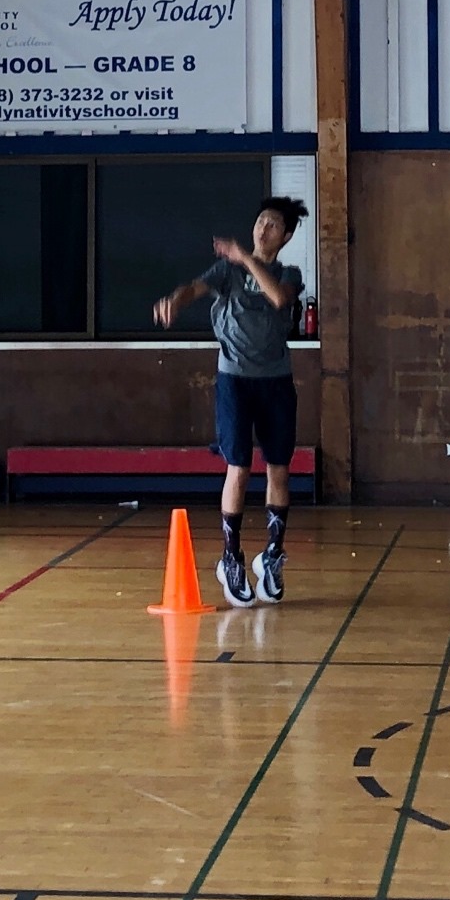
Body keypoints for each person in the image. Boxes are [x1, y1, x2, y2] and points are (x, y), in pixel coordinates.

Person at [153, 196, 307, 606]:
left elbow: (279, 298)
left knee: (279, 469)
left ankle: (272, 555)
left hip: (275, 381)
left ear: (286, 236)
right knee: (238, 468)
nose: (263, 229)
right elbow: (194, 288)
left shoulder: (289, 273)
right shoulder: (227, 271)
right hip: (234, 380)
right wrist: (176, 300)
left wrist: (246, 258)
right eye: (260, 222)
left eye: (273, 225)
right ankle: (231, 557)